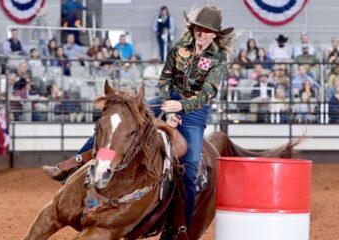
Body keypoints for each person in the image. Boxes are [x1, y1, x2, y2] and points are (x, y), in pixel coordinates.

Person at [42, 5, 234, 230]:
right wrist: (168, 107)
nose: (201, 33)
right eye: (198, 28)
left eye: (207, 30)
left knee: (190, 167)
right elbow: (165, 79)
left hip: (194, 113)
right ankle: (72, 165)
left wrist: (181, 106)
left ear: (215, 34)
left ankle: (182, 226)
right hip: (166, 100)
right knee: (118, 121)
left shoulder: (219, 58)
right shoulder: (180, 46)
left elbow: (207, 93)